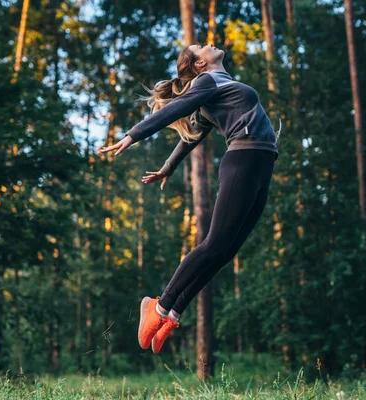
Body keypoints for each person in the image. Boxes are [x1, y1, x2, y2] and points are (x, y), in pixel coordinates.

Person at [97, 43, 281, 354]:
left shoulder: (219, 89)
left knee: (226, 249)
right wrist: (133, 134)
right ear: (198, 65)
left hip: (262, 163)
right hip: (244, 160)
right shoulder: (206, 83)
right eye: (200, 48)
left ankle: (172, 313)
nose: (208, 43)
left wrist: (167, 167)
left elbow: (191, 135)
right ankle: (156, 306)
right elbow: (175, 110)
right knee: (214, 243)